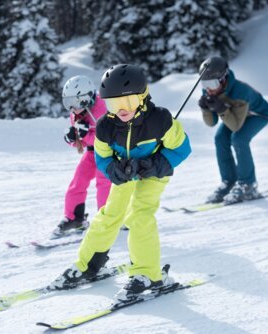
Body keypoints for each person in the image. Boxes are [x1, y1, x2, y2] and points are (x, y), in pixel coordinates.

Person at [50, 64, 192, 301]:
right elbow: (102, 156)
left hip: (154, 173)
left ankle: (149, 274)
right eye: (113, 104)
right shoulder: (106, 126)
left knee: (139, 215)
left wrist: (152, 165)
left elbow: (182, 149)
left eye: (126, 102)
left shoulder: (160, 120)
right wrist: (115, 170)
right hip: (126, 171)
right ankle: (89, 265)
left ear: (143, 96)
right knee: (109, 215)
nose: (121, 110)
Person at [197, 56, 268, 204]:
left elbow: (235, 126)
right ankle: (229, 182)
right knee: (220, 139)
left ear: (223, 79)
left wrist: (220, 108)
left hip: (257, 114)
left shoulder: (240, 92)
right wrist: (206, 109)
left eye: (212, 83)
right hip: (233, 115)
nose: (208, 88)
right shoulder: (209, 91)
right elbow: (212, 123)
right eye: (204, 84)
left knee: (239, 139)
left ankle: (247, 185)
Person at [55, 75, 112, 237]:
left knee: (104, 183)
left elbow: (110, 139)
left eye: (74, 103)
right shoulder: (76, 113)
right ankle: (75, 218)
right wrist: (72, 139)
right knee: (78, 181)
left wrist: (87, 134)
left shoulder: (102, 109)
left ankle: (107, 219)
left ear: (85, 99)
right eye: (68, 103)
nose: (71, 109)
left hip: (109, 153)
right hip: (92, 152)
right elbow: (82, 143)